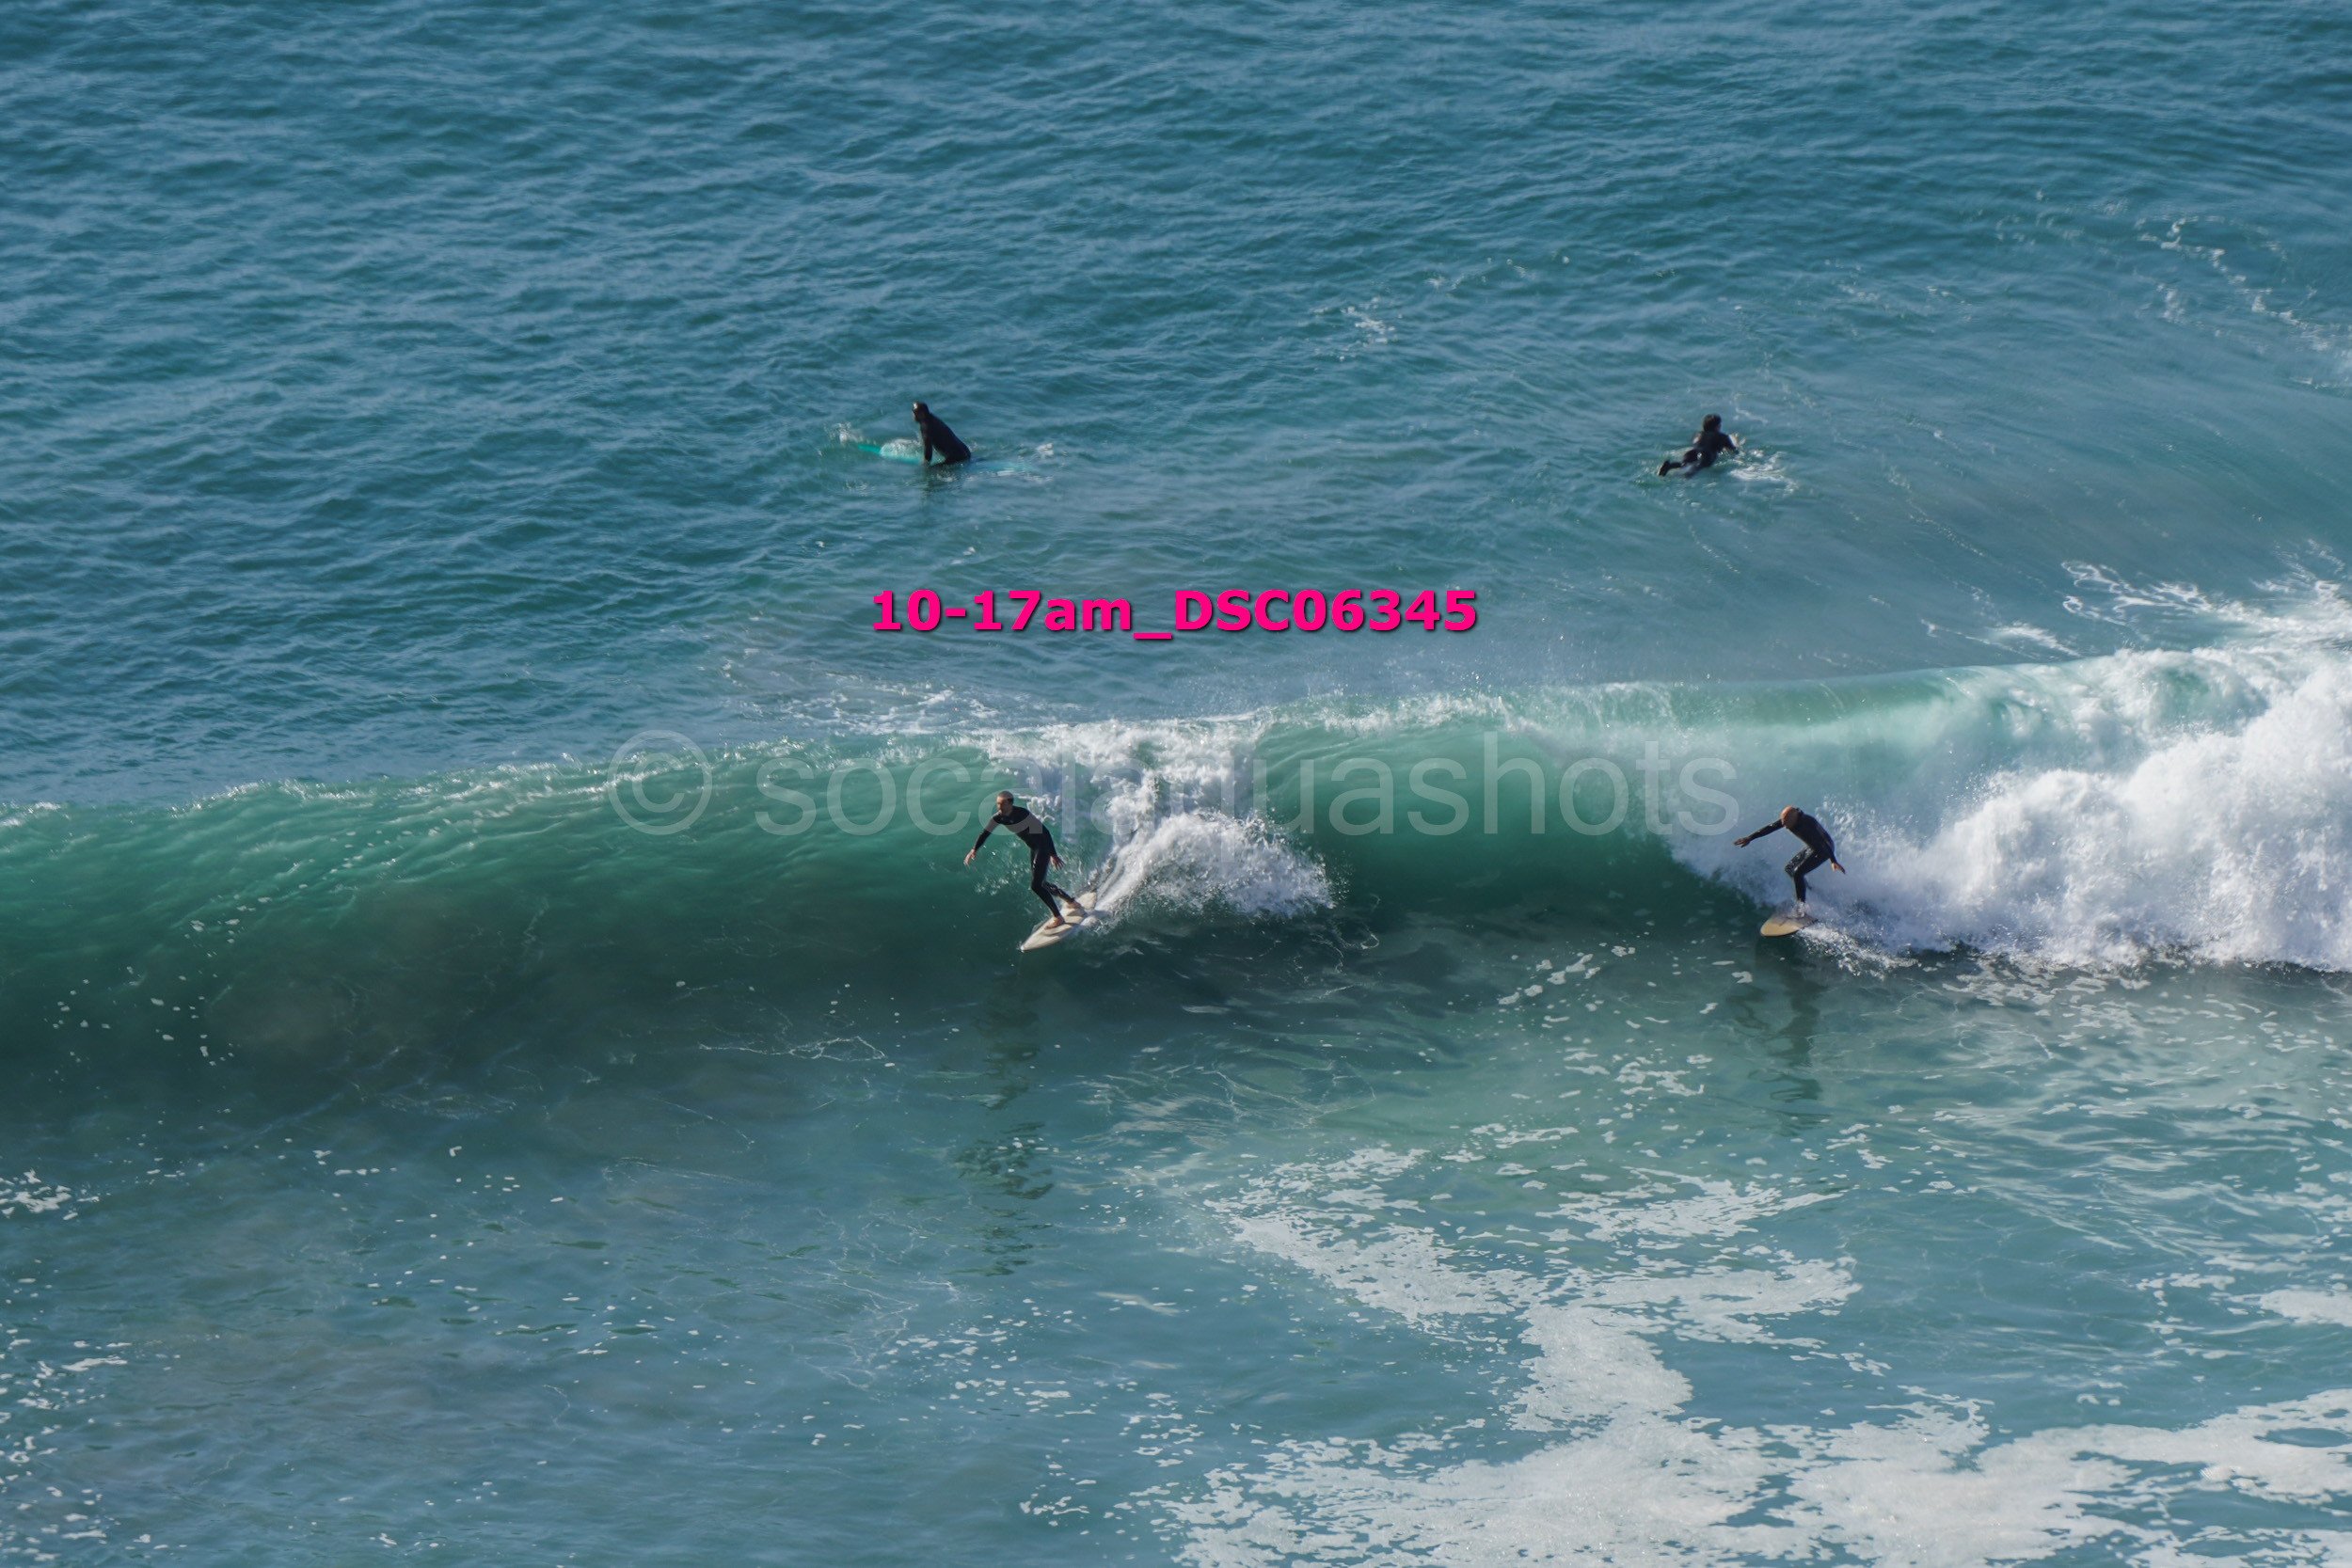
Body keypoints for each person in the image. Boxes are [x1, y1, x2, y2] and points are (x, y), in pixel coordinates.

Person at [966, 791, 1085, 927]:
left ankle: (1058, 917)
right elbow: (985, 833)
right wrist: (974, 849)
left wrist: (1053, 854)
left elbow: (1045, 832)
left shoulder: (1022, 814)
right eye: (997, 804)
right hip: (1034, 849)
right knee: (1042, 884)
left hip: (1043, 847)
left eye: (1002, 804)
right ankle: (1072, 902)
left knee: (1036, 886)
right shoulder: (999, 817)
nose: (999, 807)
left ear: (1010, 803)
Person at [1734, 805, 1845, 910]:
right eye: (1783, 823)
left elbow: (1824, 841)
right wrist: (1750, 838)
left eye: (1786, 824)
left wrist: (1833, 860)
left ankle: (1801, 908)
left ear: (1795, 818)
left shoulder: (1808, 822)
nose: (1785, 826)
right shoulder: (1788, 819)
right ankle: (1809, 890)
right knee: (1789, 868)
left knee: (1797, 873)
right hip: (1812, 847)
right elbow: (1770, 828)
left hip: (1824, 850)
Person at [1658, 414, 1738, 476]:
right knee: (1696, 468)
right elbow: (1733, 451)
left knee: (1684, 464)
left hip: (1692, 452)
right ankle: (1685, 476)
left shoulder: (1697, 434)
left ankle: (1670, 466)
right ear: (1718, 427)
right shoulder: (1723, 436)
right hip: (1707, 455)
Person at [912, 401, 973, 466]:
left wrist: (925, 464)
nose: (913, 415)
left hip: (957, 457)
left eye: (914, 413)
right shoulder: (932, 419)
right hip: (966, 452)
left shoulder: (926, 427)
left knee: (931, 470)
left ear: (921, 414)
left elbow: (928, 450)